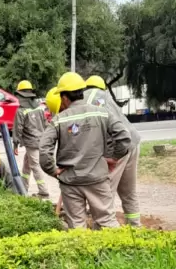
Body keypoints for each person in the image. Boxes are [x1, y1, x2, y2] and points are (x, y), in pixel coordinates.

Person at [39, 72, 131, 229]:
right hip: (98, 179)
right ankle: (118, 252)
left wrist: (53, 170)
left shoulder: (59, 120)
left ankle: (83, 253)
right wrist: (113, 158)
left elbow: (43, 151)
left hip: (70, 182)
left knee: (76, 225)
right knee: (107, 222)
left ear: (65, 97)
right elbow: (124, 138)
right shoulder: (102, 112)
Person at [84, 75, 142, 227]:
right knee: (128, 191)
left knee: (104, 191)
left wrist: (113, 157)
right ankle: (135, 228)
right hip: (133, 142)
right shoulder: (106, 97)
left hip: (118, 145)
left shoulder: (85, 99)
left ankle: (103, 229)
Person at [12, 80, 49, 199]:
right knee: (27, 165)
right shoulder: (39, 107)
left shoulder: (21, 111)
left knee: (35, 166)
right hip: (40, 140)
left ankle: (43, 192)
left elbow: (18, 129)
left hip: (31, 143)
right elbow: (45, 123)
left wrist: (15, 145)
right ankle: (24, 188)